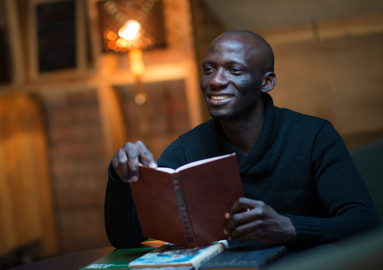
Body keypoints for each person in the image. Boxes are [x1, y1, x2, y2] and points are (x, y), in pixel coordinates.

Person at [104, 30, 381, 249]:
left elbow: (363, 222)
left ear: (266, 82)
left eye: (234, 70)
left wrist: (289, 227)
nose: (215, 81)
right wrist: (120, 178)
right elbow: (126, 239)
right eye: (209, 69)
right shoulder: (186, 149)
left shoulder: (313, 135)